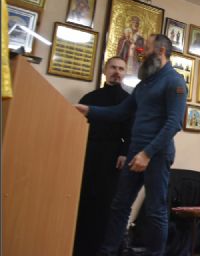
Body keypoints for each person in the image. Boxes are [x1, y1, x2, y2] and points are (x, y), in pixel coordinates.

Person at [75, 34, 187, 256]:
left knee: (155, 211)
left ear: (161, 51)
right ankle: (108, 252)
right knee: (119, 205)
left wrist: (147, 153)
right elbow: (120, 112)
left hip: (156, 154)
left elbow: (174, 123)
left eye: (147, 48)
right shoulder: (144, 84)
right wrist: (88, 110)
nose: (141, 53)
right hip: (136, 152)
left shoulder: (174, 81)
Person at [73, 56, 132, 256]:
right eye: (113, 67)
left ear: (125, 73)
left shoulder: (129, 101)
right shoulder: (89, 98)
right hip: (89, 154)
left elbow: (131, 130)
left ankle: (104, 250)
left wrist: (124, 152)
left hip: (114, 157)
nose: (117, 72)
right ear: (105, 70)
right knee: (85, 201)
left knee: (107, 205)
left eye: (121, 69)